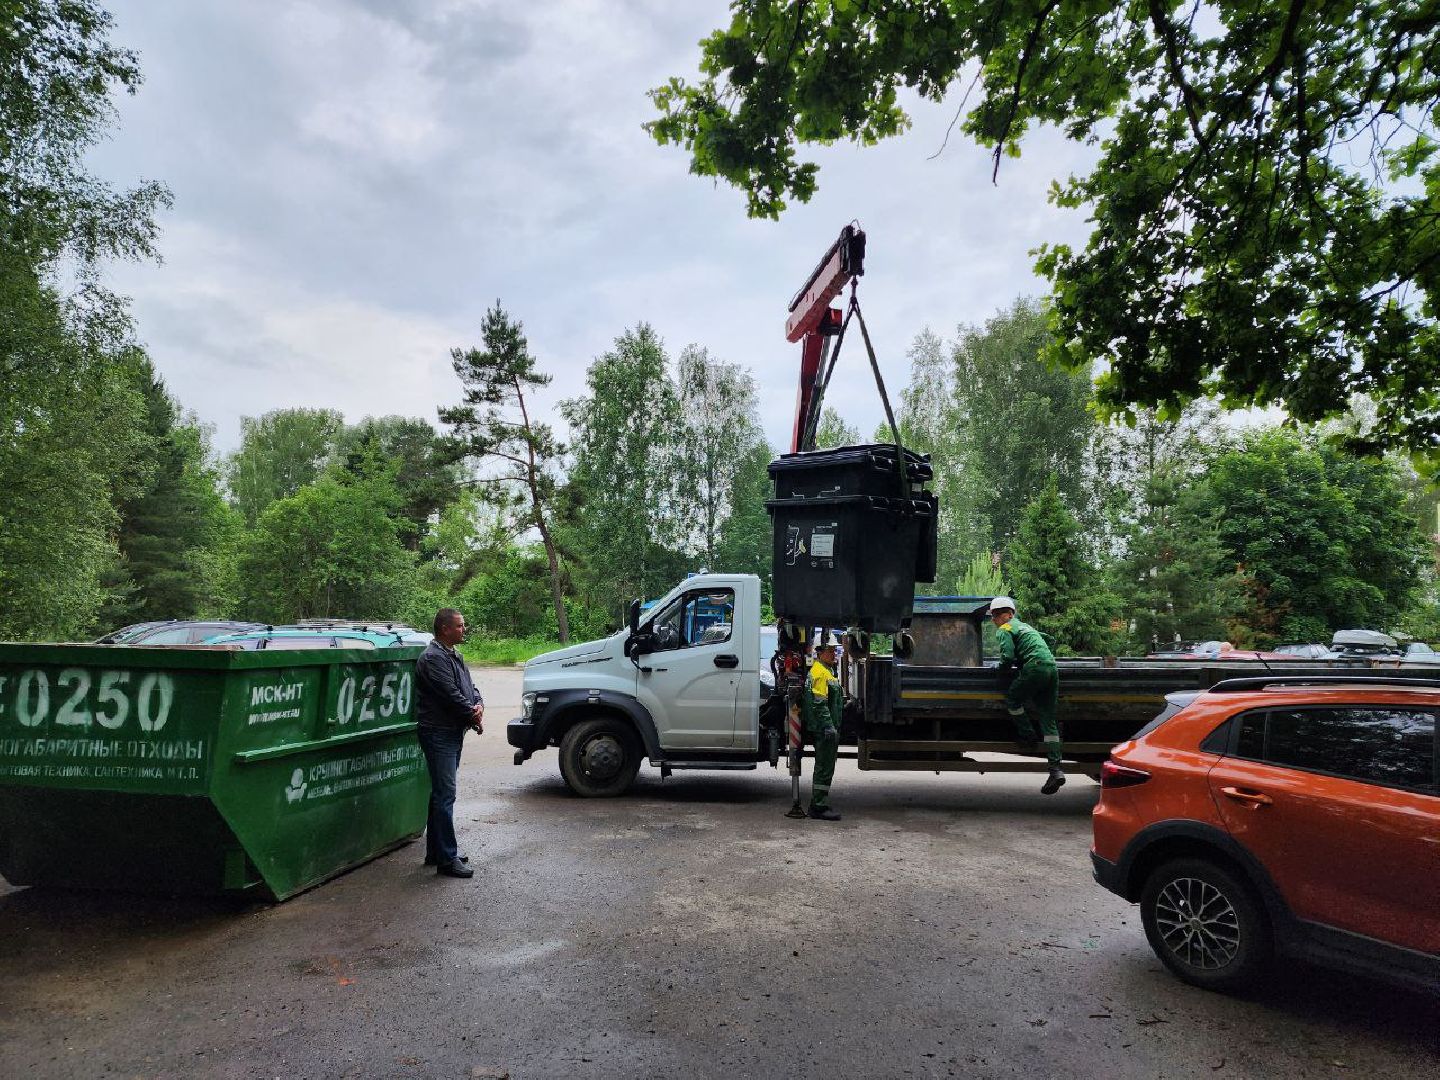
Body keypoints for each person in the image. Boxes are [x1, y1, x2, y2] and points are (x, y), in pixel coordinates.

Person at [414, 608, 484, 878]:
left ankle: (437, 851)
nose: (463, 630)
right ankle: (447, 859)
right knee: (445, 796)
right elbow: (450, 695)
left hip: (452, 731)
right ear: (444, 629)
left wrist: (478, 705)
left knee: (440, 795)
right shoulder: (433, 659)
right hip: (438, 733)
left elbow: (470, 688)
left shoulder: (454, 655)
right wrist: (471, 713)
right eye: (459, 626)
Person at [989, 597, 1065, 795]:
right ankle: (1055, 770)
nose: (993, 619)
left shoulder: (1005, 630)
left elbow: (1007, 657)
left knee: (1013, 700)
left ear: (1009, 614)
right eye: (993, 616)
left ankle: (1028, 737)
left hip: (1034, 669)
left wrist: (999, 670)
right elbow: (1049, 639)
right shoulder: (1026, 627)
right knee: (1048, 720)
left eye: (996, 615)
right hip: (1051, 669)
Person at [803, 641, 843, 820]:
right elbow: (820, 703)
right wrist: (828, 725)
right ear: (820, 652)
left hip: (826, 727)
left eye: (835, 650)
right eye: (830, 650)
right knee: (824, 767)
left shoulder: (825, 671)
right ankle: (818, 806)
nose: (834, 653)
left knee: (825, 766)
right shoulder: (820, 673)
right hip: (824, 729)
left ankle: (819, 803)